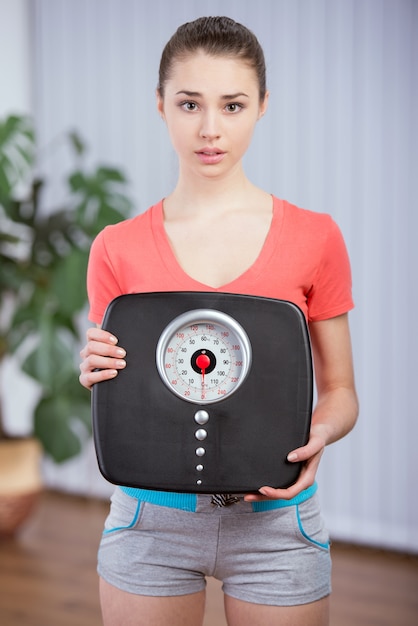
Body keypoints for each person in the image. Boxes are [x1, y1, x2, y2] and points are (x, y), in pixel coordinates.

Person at [79, 15, 358, 626]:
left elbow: (340, 392)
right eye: (189, 104)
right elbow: (122, 391)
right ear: (160, 106)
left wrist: (321, 436)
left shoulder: (316, 237)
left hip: (275, 524)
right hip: (150, 523)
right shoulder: (115, 248)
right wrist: (95, 372)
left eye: (232, 105)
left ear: (262, 106)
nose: (210, 129)